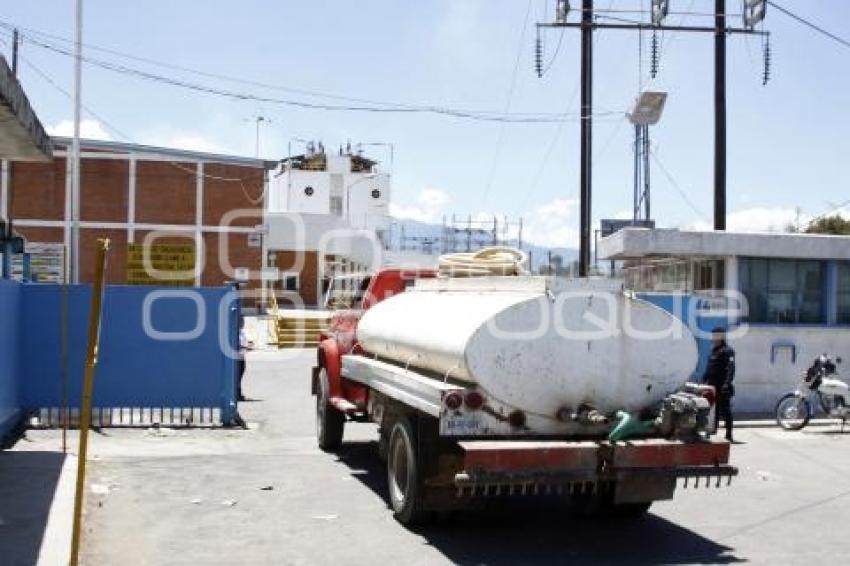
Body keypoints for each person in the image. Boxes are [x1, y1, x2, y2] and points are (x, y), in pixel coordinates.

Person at [703, 327, 735, 442]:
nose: (713, 338)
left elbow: (731, 369)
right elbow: (709, 368)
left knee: (725, 411)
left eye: (716, 336)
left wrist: (727, 383)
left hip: (722, 386)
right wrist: (704, 379)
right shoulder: (713, 350)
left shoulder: (728, 351)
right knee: (712, 411)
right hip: (712, 386)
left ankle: (729, 433)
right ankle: (712, 431)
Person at [237, 317, 254, 402]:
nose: (242, 323)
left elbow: (243, 342)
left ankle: (238, 393)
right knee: (237, 376)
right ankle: (237, 394)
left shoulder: (241, 332)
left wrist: (249, 344)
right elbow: (236, 345)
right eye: (241, 321)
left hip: (242, 356)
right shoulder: (235, 332)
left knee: (240, 375)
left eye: (242, 321)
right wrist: (245, 347)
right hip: (237, 357)